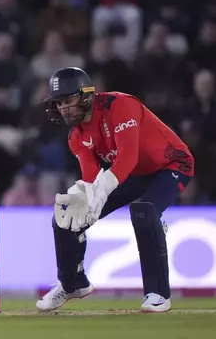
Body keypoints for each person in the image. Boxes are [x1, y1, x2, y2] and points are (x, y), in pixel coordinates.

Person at [38, 67, 194, 313]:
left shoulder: (120, 105)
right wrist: (88, 197)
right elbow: (90, 177)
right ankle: (72, 284)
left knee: (144, 212)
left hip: (172, 163)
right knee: (68, 214)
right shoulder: (76, 136)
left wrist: (101, 192)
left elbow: (127, 158)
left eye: (68, 101)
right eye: (59, 103)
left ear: (86, 96)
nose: (63, 108)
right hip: (135, 174)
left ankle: (158, 294)